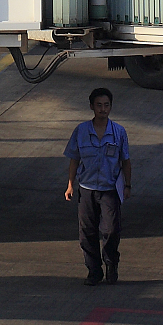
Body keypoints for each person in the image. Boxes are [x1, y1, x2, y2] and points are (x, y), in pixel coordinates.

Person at [64, 86, 132, 285]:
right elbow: (74, 160)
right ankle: (94, 271)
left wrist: (127, 186)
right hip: (87, 189)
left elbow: (126, 161)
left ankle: (111, 263)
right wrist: (70, 185)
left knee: (111, 230)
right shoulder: (81, 131)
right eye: (99, 105)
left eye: (106, 105)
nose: (103, 109)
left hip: (109, 189)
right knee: (87, 232)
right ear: (92, 107)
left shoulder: (119, 132)